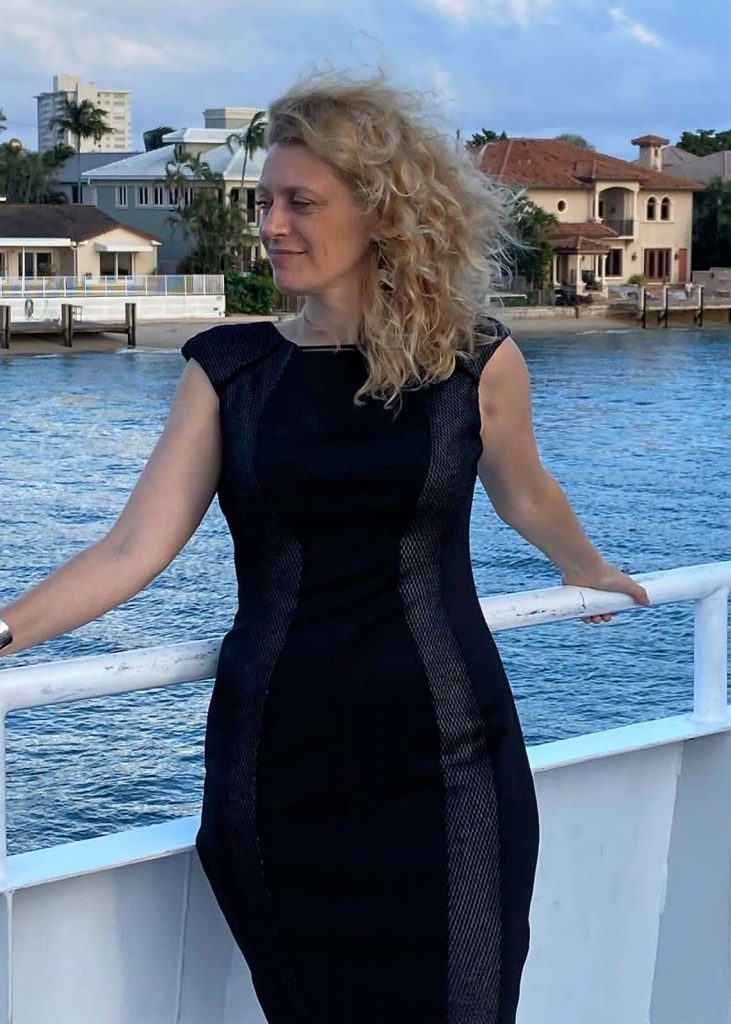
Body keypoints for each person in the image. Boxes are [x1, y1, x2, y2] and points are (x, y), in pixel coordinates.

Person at [0, 69, 650, 1023]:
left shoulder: (473, 360)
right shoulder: (231, 369)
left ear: (383, 213)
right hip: (278, 771)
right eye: (265, 201)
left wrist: (585, 564)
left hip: (449, 765)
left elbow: (524, 490)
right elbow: (131, 549)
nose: (271, 225)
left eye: (300, 202)